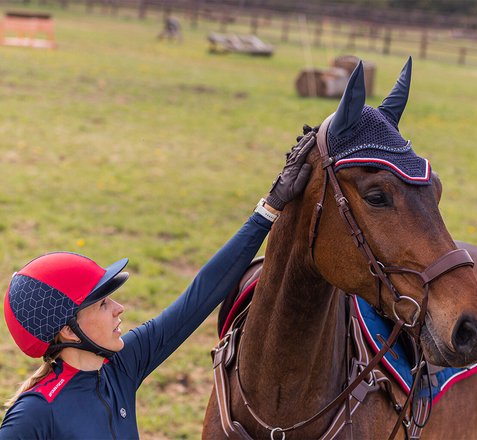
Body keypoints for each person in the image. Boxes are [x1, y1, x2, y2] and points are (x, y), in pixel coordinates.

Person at [0, 130, 316, 439]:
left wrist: (269, 208)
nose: (119, 308)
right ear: (68, 330)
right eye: (103, 303)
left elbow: (200, 296)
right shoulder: (34, 415)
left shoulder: (120, 366)